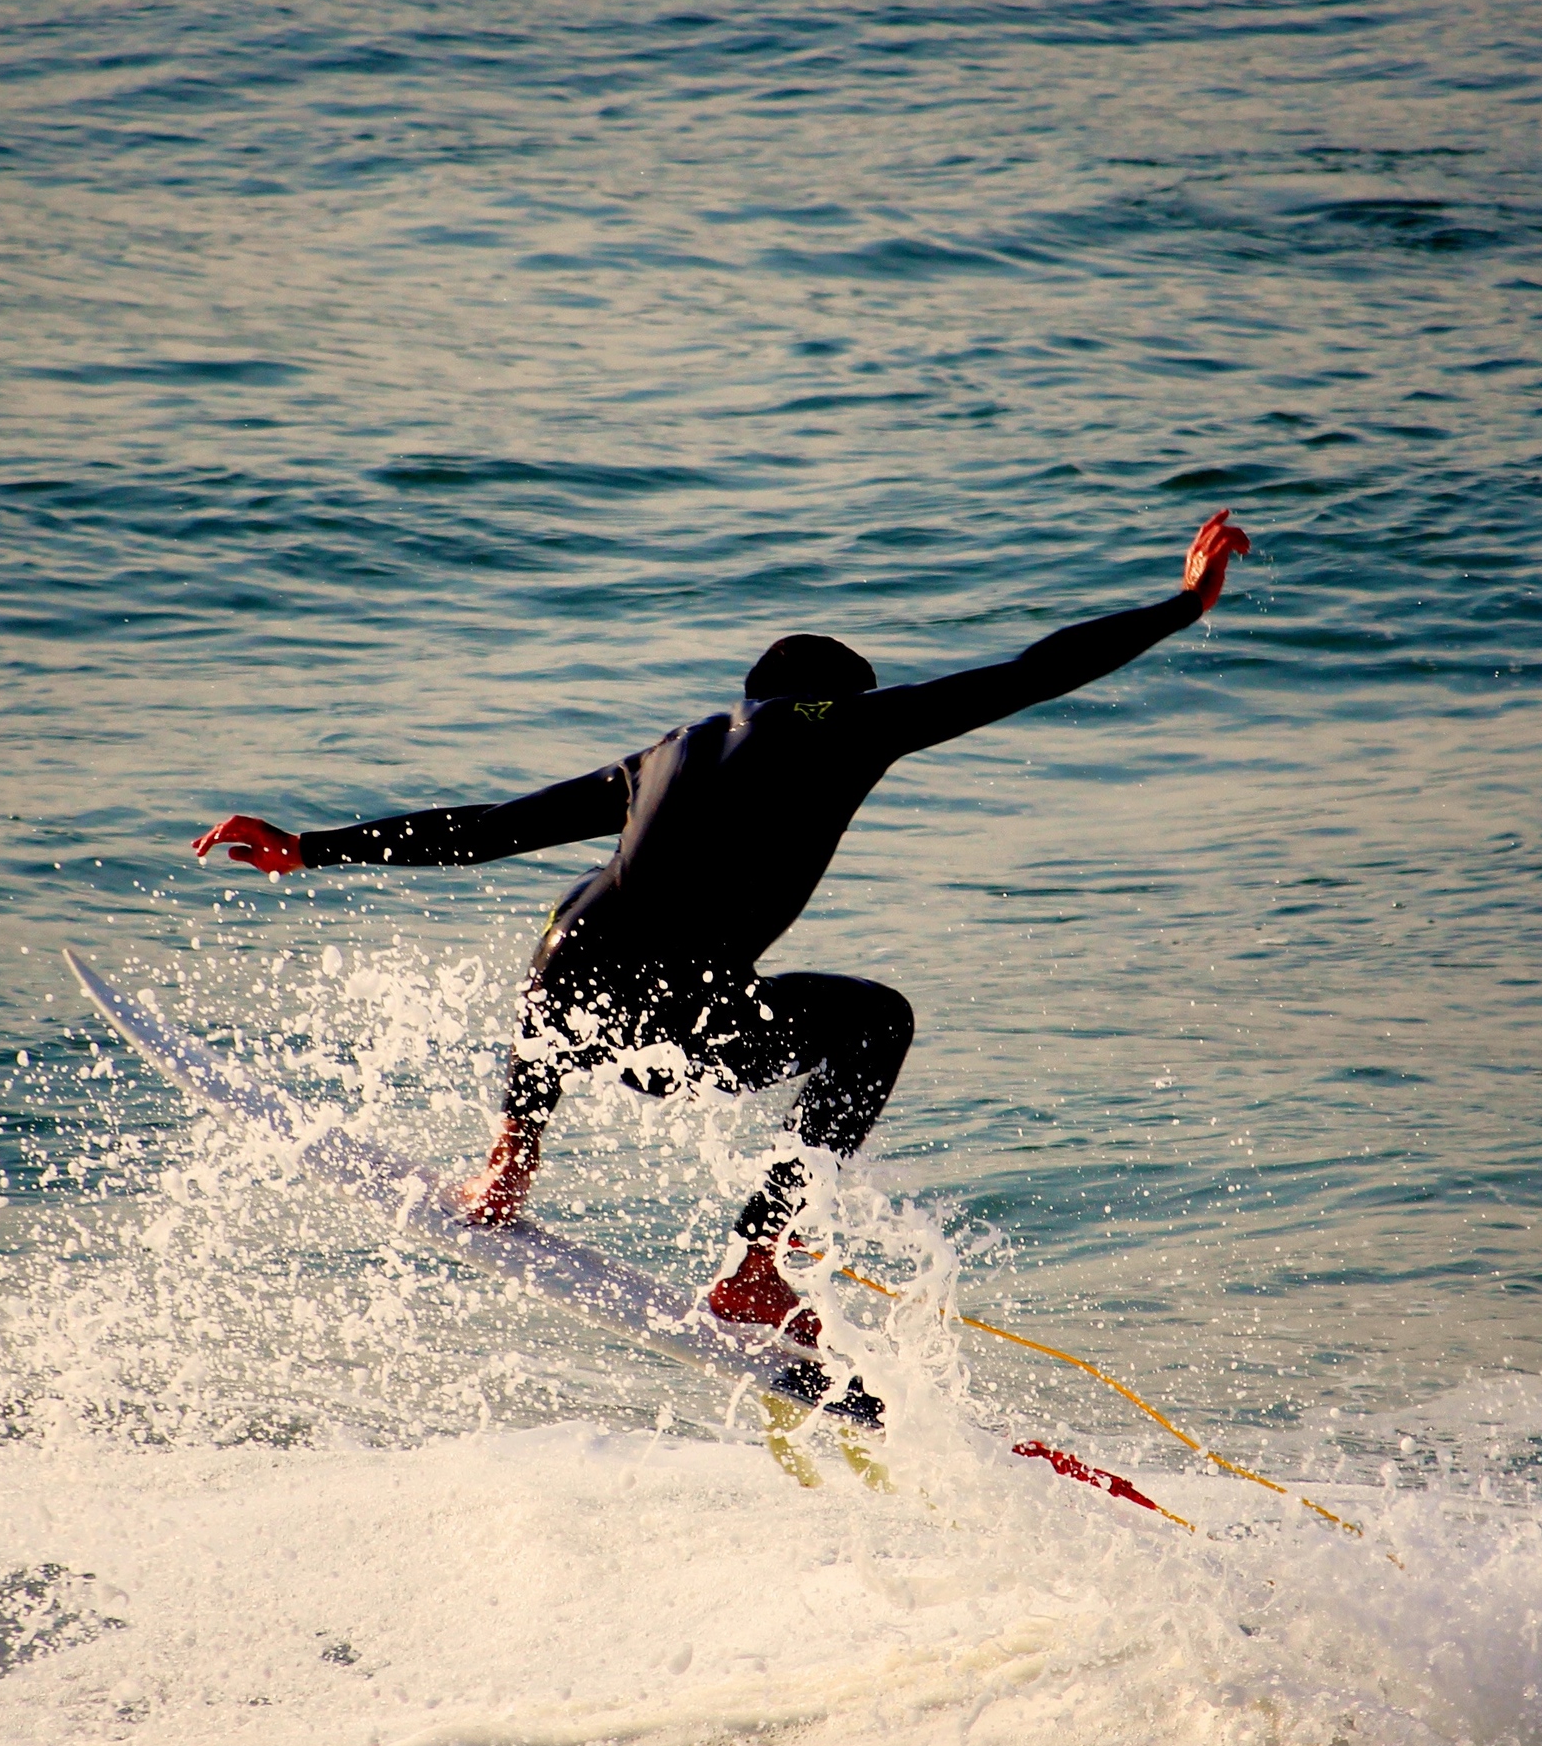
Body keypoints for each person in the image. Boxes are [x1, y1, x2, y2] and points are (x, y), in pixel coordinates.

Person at [193, 509, 1251, 1350]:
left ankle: (512, 1151)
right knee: (875, 1022)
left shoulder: (662, 753)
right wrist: (1180, 606)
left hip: (570, 1004)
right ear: (838, 696)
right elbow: (1028, 672)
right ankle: (755, 1267)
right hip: (685, 1022)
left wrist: (310, 847)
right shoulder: (844, 724)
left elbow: (491, 829)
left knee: (580, 916)